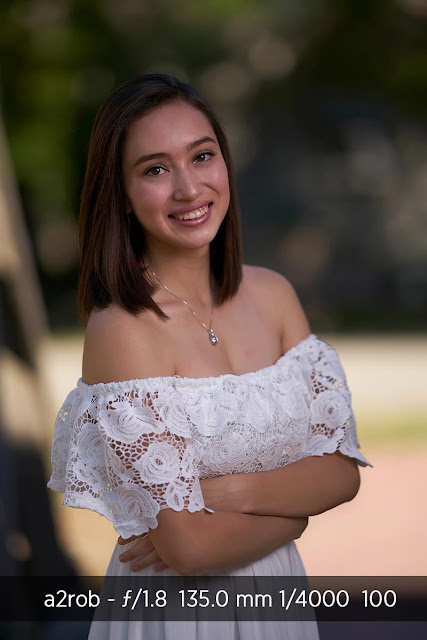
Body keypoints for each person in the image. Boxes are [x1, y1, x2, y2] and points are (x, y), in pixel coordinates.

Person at [47, 73, 372, 639]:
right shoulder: (121, 329)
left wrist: (226, 493)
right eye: (154, 169)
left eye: (202, 157)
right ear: (120, 195)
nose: (188, 188)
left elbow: (341, 474)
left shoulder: (274, 296)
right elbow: (191, 549)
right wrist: (296, 510)